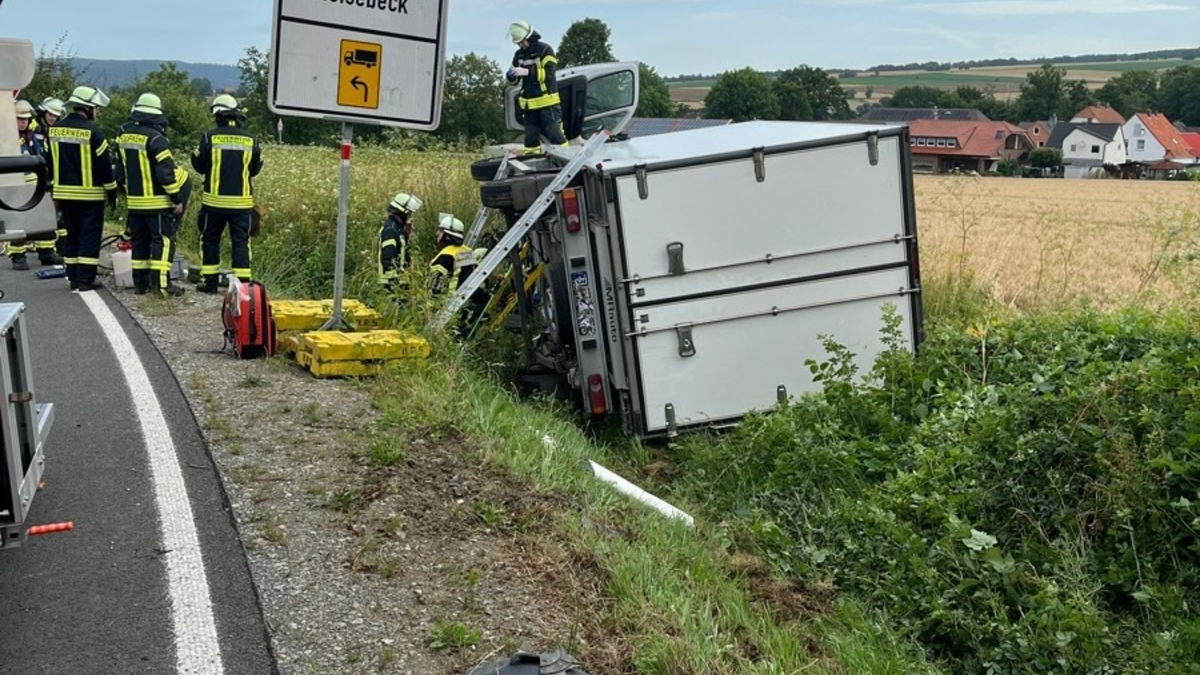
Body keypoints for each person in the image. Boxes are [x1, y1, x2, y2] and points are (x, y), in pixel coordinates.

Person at [114, 93, 190, 297]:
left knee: (139, 242)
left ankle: (140, 285)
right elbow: (165, 173)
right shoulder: (157, 139)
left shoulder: (123, 135)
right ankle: (161, 287)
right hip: (157, 204)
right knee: (163, 241)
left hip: (135, 203)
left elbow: (119, 171)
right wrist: (176, 198)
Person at [45, 85, 116, 291]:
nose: (97, 111)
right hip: (90, 196)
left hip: (64, 195)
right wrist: (111, 191)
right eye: (95, 108)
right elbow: (104, 166)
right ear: (87, 108)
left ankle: (73, 277)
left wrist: (52, 189)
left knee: (72, 235)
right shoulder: (94, 132)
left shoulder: (55, 130)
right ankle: (85, 279)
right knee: (89, 237)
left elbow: (48, 162)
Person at [191, 94, 262, 293]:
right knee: (240, 242)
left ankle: (210, 284)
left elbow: (199, 165)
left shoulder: (208, 137)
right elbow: (255, 169)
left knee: (210, 240)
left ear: (217, 115)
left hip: (213, 204)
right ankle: (243, 288)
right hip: (241, 205)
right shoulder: (252, 139)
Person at [8, 99, 61, 270]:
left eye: (25, 119)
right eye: (19, 119)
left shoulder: (35, 137)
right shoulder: (6, 137)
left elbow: (45, 158)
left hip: (38, 185)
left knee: (43, 218)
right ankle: (17, 255)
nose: (23, 122)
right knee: (18, 220)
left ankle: (46, 252)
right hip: (16, 185)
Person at [506, 20, 568, 155]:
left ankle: (565, 157)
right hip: (529, 104)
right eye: (518, 43)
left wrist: (528, 72)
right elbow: (514, 81)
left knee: (554, 133)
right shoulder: (519, 55)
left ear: (530, 37)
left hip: (548, 102)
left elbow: (550, 75)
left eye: (522, 42)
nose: (521, 45)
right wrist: (511, 76)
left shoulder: (545, 50)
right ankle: (532, 159)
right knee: (530, 138)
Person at [429, 214, 487, 330]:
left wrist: (431, 313)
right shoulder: (465, 251)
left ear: (446, 235)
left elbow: (437, 288)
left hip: (451, 311)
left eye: (440, 231)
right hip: (471, 308)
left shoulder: (445, 256)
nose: (437, 234)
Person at [378, 192, 422, 295]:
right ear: (402, 213)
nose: (410, 217)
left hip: (399, 283)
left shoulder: (397, 228)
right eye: (409, 214)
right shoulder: (391, 230)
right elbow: (388, 259)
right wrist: (396, 283)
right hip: (391, 285)